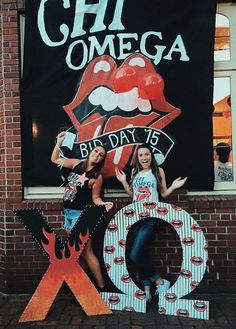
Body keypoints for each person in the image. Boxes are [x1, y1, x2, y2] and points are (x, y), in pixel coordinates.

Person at [115, 144, 187, 301]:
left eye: (146, 154)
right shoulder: (135, 171)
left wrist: (174, 186)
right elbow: (132, 194)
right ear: (138, 158)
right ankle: (147, 290)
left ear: (151, 156)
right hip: (134, 218)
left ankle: (161, 282)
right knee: (141, 254)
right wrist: (123, 181)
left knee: (135, 255)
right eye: (140, 155)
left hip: (150, 219)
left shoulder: (157, 171)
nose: (144, 158)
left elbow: (163, 194)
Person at [51, 131, 113, 289]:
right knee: (77, 253)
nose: (97, 155)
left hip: (80, 215)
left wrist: (104, 204)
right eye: (96, 151)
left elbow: (96, 198)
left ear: (101, 160)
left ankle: (101, 286)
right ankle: (83, 287)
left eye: (101, 155)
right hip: (68, 214)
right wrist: (59, 142)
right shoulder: (76, 164)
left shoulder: (96, 177)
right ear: (91, 151)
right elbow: (55, 159)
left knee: (86, 252)